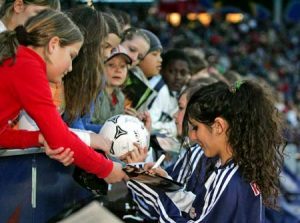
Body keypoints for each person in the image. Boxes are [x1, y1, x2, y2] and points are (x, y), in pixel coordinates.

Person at [128, 80, 285, 222]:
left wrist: (155, 191)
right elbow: (195, 209)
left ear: (218, 126)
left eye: (196, 127)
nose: (191, 135)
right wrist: (158, 182)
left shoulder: (231, 180)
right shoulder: (232, 169)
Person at [0, 9, 127, 183]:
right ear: (53, 44)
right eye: (72, 56)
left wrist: (38, 138)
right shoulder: (28, 67)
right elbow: (60, 137)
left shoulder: (21, 61)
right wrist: (107, 169)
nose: (70, 67)